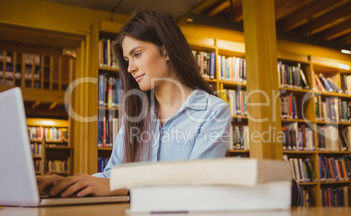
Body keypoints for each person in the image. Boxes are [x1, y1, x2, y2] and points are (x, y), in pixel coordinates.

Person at [37, 9, 231, 198]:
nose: (130, 68)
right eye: (127, 59)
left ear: (166, 50)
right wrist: (65, 184)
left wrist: (124, 187)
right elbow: (111, 177)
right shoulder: (138, 116)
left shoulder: (213, 111)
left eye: (137, 54)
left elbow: (197, 185)